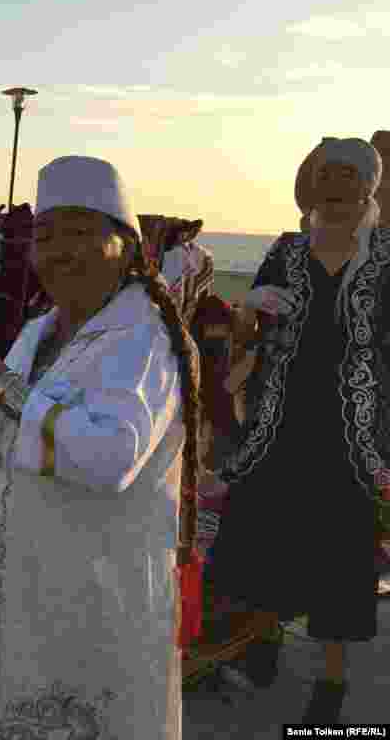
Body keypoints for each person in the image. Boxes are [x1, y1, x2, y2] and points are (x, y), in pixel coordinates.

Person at [0, 156, 201, 739]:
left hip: (91, 592)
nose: (57, 251)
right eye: (45, 236)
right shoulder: (37, 331)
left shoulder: (146, 339)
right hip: (16, 579)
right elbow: (10, 434)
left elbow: (109, 457)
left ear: (125, 246)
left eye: (78, 231)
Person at [209, 137, 388, 723]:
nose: (335, 186)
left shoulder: (386, 253)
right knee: (267, 533)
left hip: (352, 430)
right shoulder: (286, 249)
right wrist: (250, 310)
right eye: (326, 175)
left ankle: (331, 682)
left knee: (341, 551)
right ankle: (263, 641)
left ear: (368, 186)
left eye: (347, 176)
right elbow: (247, 325)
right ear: (312, 185)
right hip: (278, 419)